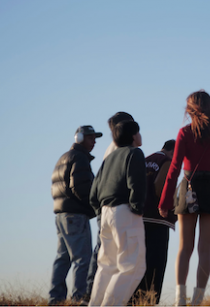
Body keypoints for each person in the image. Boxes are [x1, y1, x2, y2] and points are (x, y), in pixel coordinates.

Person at [158, 90, 210, 306]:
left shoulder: (185, 132)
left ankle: (179, 300)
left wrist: (165, 202)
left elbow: (174, 169)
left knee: (185, 247)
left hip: (188, 187)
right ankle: (197, 300)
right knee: (205, 249)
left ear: (191, 109)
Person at [89, 121, 147, 306]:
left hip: (105, 213)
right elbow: (136, 184)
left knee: (106, 267)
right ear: (133, 135)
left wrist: (100, 212)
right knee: (132, 267)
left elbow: (93, 193)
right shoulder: (134, 153)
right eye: (138, 132)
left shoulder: (109, 158)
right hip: (125, 212)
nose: (140, 135)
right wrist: (137, 208)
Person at [84, 112, 134, 305]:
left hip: (106, 208)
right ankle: (93, 295)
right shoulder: (122, 149)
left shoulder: (112, 149)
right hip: (115, 208)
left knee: (106, 255)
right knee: (109, 256)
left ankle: (95, 297)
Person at [49, 125, 102, 305]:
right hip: (75, 216)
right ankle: (78, 299)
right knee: (82, 259)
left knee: (62, 258)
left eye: (95, 138)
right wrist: (94, 205)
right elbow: (80, 187)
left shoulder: (64, 157)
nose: (94, 141)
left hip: (62, 216)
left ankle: (55, 299)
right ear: (79, 138)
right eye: (90, 138)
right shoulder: (80, 158)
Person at [129, 139, 177, 305]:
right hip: (158, 220)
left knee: (139, 263)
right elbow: (160, 187)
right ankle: (149, 300)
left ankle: (133, 300)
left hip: (138, 217)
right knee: (155, 264)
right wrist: (176, 204)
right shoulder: (168, 161)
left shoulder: (145, 159)